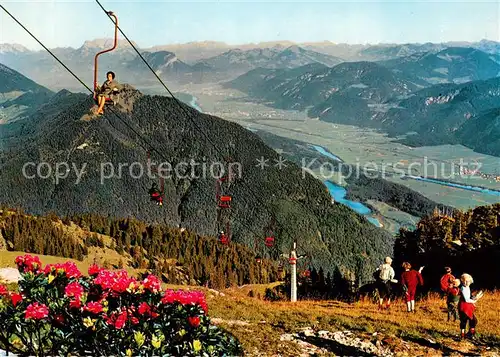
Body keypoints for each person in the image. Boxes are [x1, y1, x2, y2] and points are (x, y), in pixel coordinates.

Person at [458, 273, 482, 339]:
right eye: (464, 281)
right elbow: (466, 299)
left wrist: (475, 297)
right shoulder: (463, 288)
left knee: (472, 320)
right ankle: (466, 335)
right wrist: (474, 301)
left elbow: (469, 297)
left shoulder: (467, 287)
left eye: (467, 281)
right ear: (462, 281)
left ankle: (468, 334)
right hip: (464, 307)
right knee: (466, 321)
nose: (466, 282)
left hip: (467, 307)